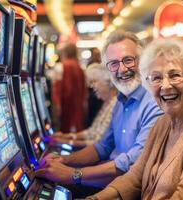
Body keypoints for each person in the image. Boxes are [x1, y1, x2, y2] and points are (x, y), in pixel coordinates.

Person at [90, 38, 183, 200]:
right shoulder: (162, 123)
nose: (165, 86)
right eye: (157, 78)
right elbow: (135, 176)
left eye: (174, 75)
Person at [35, 30, 163, 195]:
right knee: (43, 183)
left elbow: (134, 162)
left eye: (128, 60)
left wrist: (74, 174)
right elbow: (102, 146)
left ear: (143, 62)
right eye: (113, 64)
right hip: (107, 180)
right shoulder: (120, 101)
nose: (122, 69)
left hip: (127, 190)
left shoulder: (155, 102)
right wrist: (64, 160)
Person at [49, 63, 117, 149]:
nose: (92, 86)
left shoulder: (115, 105)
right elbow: (91, 132)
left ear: (108, 81)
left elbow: (98, 144)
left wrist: (67, 142)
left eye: (94, 81)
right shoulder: (107, 103)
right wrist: (67, 136)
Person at [52, 43, 87, 133]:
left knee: (64, 132)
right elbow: (84, 90)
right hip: (78, 107)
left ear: (65, 53)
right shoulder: (80, 68)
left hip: (65, 107)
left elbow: (56, 90)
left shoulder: (60, 66)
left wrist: (56, 108)